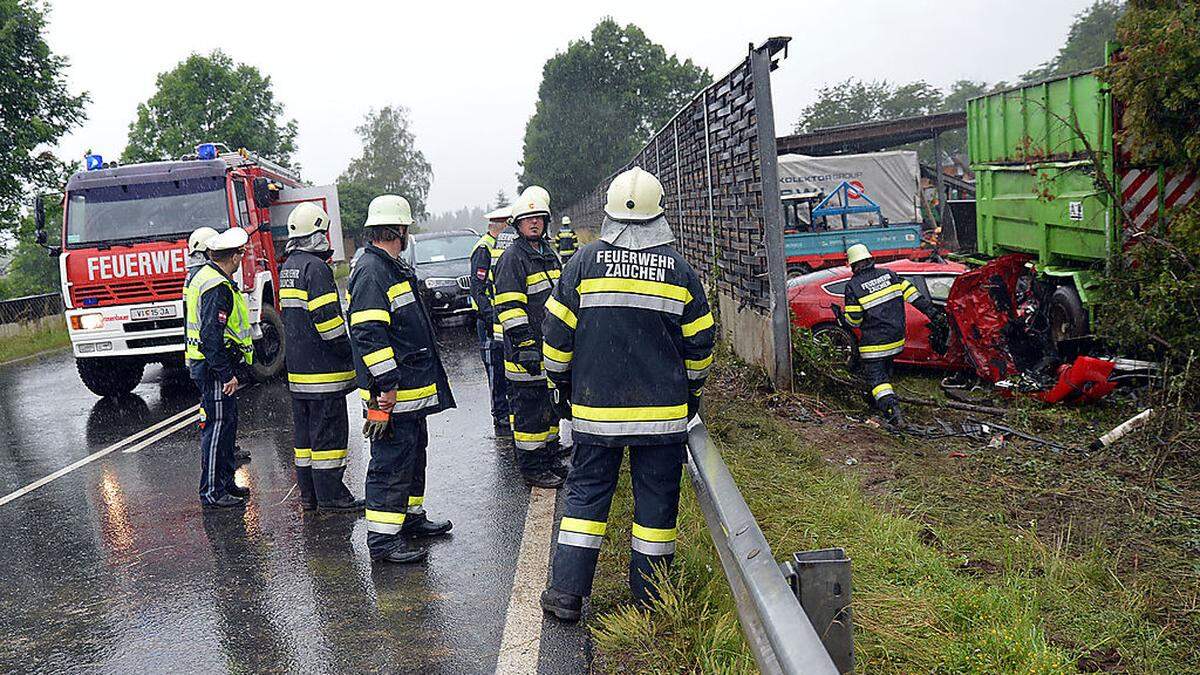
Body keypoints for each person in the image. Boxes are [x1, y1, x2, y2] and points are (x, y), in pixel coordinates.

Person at [539, 166, 715, 622]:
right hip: (662, 420)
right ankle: (650, 600)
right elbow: (700, 344)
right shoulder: (680, 272)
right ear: (660, 215)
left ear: (609, 214)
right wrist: (691, 393)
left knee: (585, 500)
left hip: (596, 415)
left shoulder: (581, 263)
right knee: (656, 507)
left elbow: (556, 339)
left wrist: (563, 387)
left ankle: (565, 596)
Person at [348, 194, 455, 564]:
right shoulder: (372, 272)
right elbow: (368, 334)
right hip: (391, 393)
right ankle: (382, 541)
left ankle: (409, 518)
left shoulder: (390, 267)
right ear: (398, 229)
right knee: (390, 463)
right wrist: (387, 385)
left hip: (409, 391)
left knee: (411, 454)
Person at [279, 202, 363, 513]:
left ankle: (310, 495)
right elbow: (328, 323)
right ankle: (332, 497)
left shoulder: (289, 267)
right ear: (317, 234)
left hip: (299, 373)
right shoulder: (316, 269)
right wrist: (348, 352)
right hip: (323, 374)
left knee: (305, 442)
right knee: (328, 438)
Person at [493, 188, 565, 488]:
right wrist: (525, 346)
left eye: (538, 218)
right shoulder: (513, 258)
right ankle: (532, 468)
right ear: (517, 225)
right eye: (527, 219)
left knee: (549, 410)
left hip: (550, 348)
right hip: (526, 353)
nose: (533, 223)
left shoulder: (549, 254)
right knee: (529, 414)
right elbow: (510, 307)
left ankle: (548, 458)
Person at [185, 227, 255, 510]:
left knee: (227, 428)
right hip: (215, 368)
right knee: (216, 430)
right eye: (241, 254)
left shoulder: (207, 277)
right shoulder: (216, 286)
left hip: (213, 364)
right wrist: (226, 373)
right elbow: (211, 335)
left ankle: (226, 484)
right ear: (235, 257)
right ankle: (212, 490)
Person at [834, 243, 939, 427]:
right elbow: (915, 297)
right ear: (870, 259)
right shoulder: (890, 275)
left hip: (874, 344)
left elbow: (855, 321)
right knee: (885, 371)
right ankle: (876, 404)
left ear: (853, 265)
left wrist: (841, 318)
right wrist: (934, 315)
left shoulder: (854, 286)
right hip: (897, 339)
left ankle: (893, 413)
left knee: (878, 380)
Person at [468, 207, 514, 438]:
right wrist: (490, 317)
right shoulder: (484, 248)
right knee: (496, 369)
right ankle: (501, 416)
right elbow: (478, 289)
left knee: (507, 368)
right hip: (489, 322)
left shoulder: (499, 246)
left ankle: (509, 412)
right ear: (502, 225)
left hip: (503, 319)